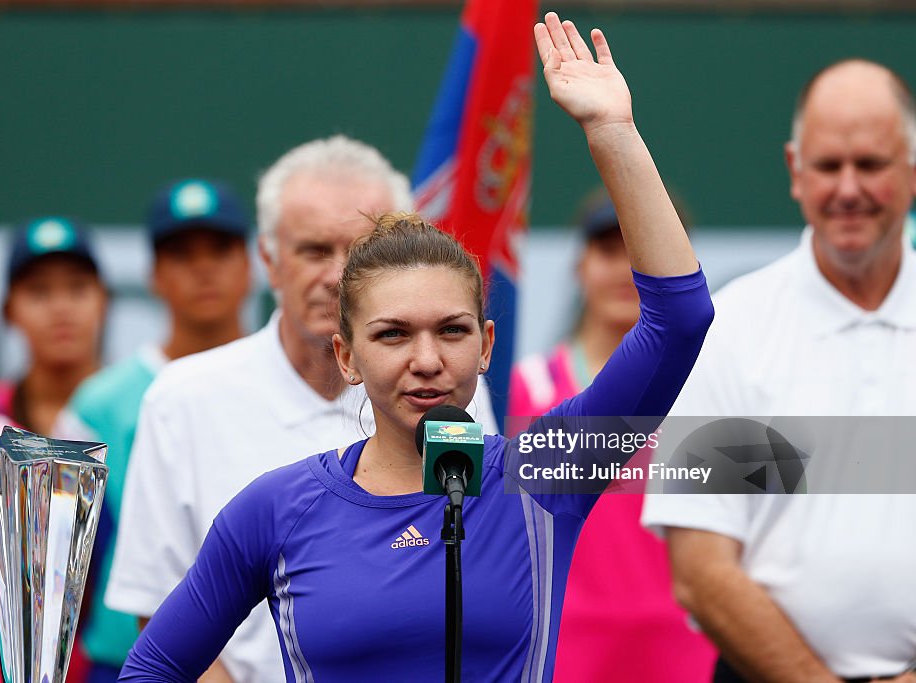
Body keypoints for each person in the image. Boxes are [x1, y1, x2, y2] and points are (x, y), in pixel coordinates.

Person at [116, 13, 712, 681]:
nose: (426, 359)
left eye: (452, 330)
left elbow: (680, 320)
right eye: (392, 333)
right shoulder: (274, 510)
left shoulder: (545, 478)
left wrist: (612, 133)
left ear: (486, 344)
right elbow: (151, 670)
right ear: (347, 356)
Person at [105, 135, 500, 683]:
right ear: (268, 260)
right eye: (314, 250)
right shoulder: (181, 397)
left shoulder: (450, 395)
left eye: (362, 251)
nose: (338, 275)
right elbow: (158, 617)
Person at [642, 59, 916, 682]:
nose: (848, 188)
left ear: (912, 171)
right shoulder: (729, 329)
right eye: (827, 165)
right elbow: (700, 568)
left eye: (870, 164)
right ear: (795, 171)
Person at [510, 193, 716, 680]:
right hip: (566, 647)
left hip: (687, 647)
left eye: (639, 252)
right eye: (608, 251)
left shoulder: (714, 389)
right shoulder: (523, 389)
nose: (626, 270)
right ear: (580, 266)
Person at [55, 179, 252, 683]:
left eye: (221, 250)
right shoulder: (98, 405)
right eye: (182, 254)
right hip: (130, 665)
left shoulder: (289, 382)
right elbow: (58, 568)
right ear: (155, 275)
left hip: (267, 661)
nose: (203, 267)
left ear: (252, 267)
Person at [0, 216, 109, 437]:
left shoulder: (138, 407)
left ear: (104, 301)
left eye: (77, 288)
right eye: (39, 291)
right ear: (8, 311)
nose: (61, 308)